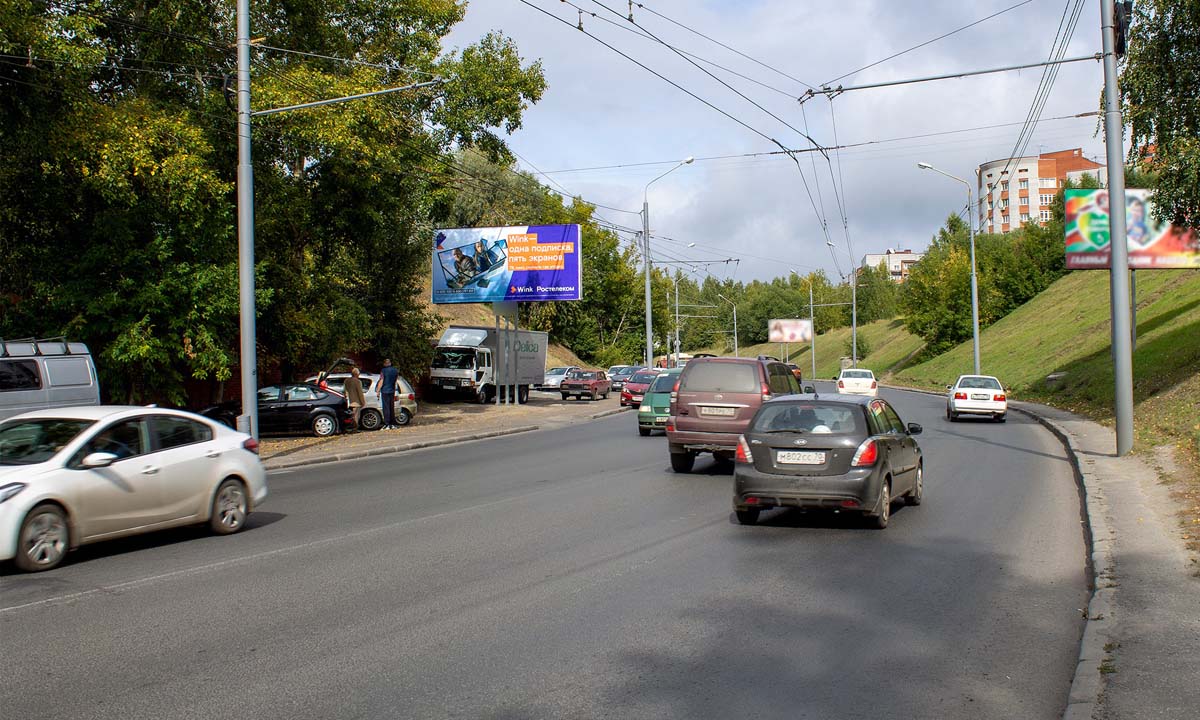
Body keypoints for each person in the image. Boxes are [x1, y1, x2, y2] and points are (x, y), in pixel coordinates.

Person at [378, 358, 400, 429]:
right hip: (392, 390)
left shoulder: (383, 371)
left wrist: (378, 390)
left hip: (385, 390)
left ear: (385, 364)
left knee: (386, 407)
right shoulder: (395, 371)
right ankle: (392, 423)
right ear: (390, 363)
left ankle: (387, 423)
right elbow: (396, 381)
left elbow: (381, 380)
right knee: (391, 407)